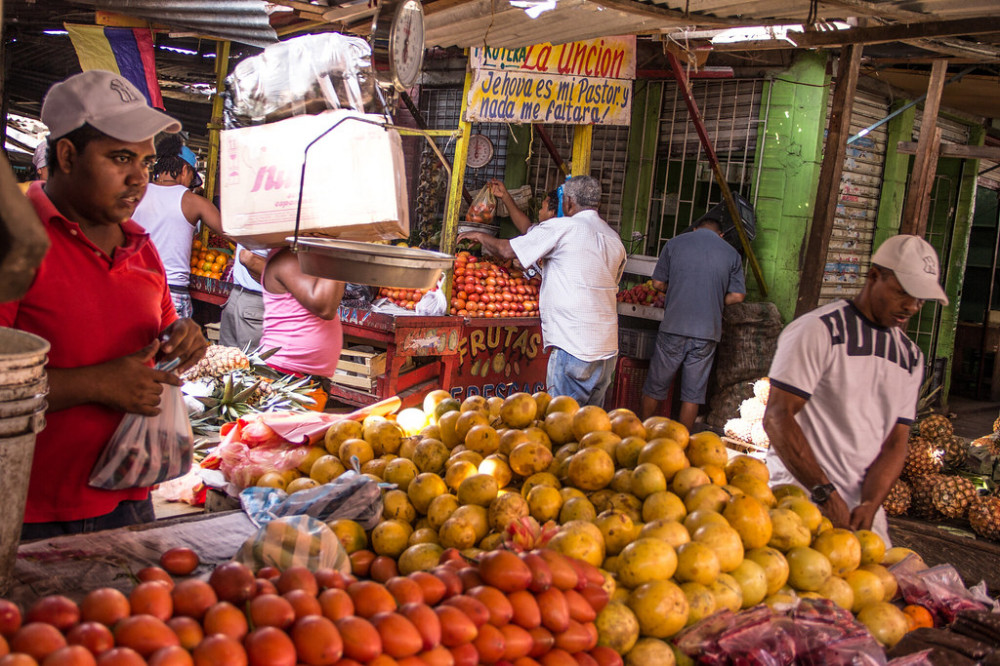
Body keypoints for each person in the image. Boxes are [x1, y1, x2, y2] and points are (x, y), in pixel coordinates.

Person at [0, 70, 207, 538]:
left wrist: (184, 338)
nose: (139, 179)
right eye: (120, 158)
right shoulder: (15, 241)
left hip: (130, 500)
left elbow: (163, 333)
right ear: (67, 156)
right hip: (29, 514)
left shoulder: (141, 244)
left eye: (146, 162)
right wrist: (96, 383)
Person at [762, 234, 948, 543]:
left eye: (921, 299)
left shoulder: (910, 357)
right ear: (874, 276)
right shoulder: (818, 331)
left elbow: (895, 444)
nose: (913, 306)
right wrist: (826, 495)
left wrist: (871, 504)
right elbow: (778, 417)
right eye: (904, 293)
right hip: (798, 500)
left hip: (860, 516)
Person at [458, 175, 625, 406]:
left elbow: (507, 251)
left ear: (567, 203)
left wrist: (479, 235)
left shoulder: (563, 227)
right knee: (590, 425)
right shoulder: (613, 238)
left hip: (573, 346)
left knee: (561, 423)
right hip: (606, 351)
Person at [640, 218, 746, 429]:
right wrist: (714, 299)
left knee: (655, 386)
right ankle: (682, 441)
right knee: (692, 394)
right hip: (707, 332)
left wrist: (678, 291)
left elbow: (658, 283)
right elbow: (738, 296)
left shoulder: (674, 243)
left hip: (674, 328)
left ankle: (642, 431)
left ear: (695, 229)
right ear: (720, 234)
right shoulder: (731, 253)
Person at [132, 135, 224, 319]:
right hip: (171, 292)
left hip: (134, 286)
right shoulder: (194, 202)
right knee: (171, 347)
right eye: (192, 176)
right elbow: (230, 231)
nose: (191, 183)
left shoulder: (136, 194)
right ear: (184, 170)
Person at [259, 246, 344, 386]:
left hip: (299, 376)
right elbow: (325, 307)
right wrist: (336, 250)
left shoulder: (305, 258)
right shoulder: (288, 258)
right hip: (284, 375)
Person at [219, 244, 268, 349]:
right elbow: (247, 257)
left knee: (247, 362)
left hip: (253, 298)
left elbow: (248, 257)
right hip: (243, 296)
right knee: (228, 360)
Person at [488, 178, 559, 233]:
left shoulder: (550, 237)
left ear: (552, 213)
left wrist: (480, 236)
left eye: (542, 208)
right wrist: (504, 196)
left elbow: (507, 250)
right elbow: (526, 227)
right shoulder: (547, 231)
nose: (539, 211)